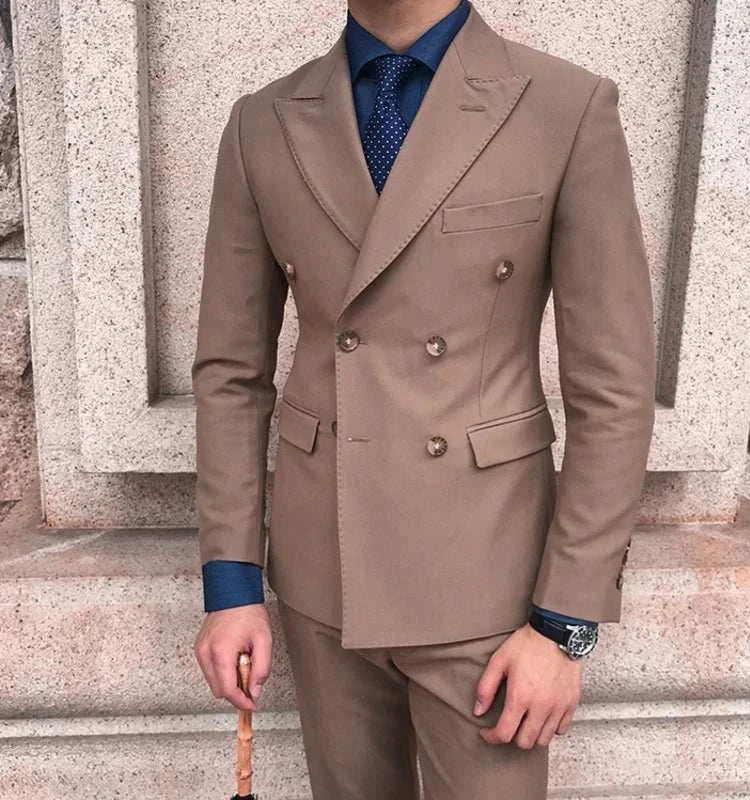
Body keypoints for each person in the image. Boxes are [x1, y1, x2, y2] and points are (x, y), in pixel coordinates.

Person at [191, 1, 656, 797]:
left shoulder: (563, 107)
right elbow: (231, 374)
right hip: (321, 574)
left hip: (488, 585)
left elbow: (613, 387)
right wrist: (231, 587)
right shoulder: (261, 124)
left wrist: (565, 624)